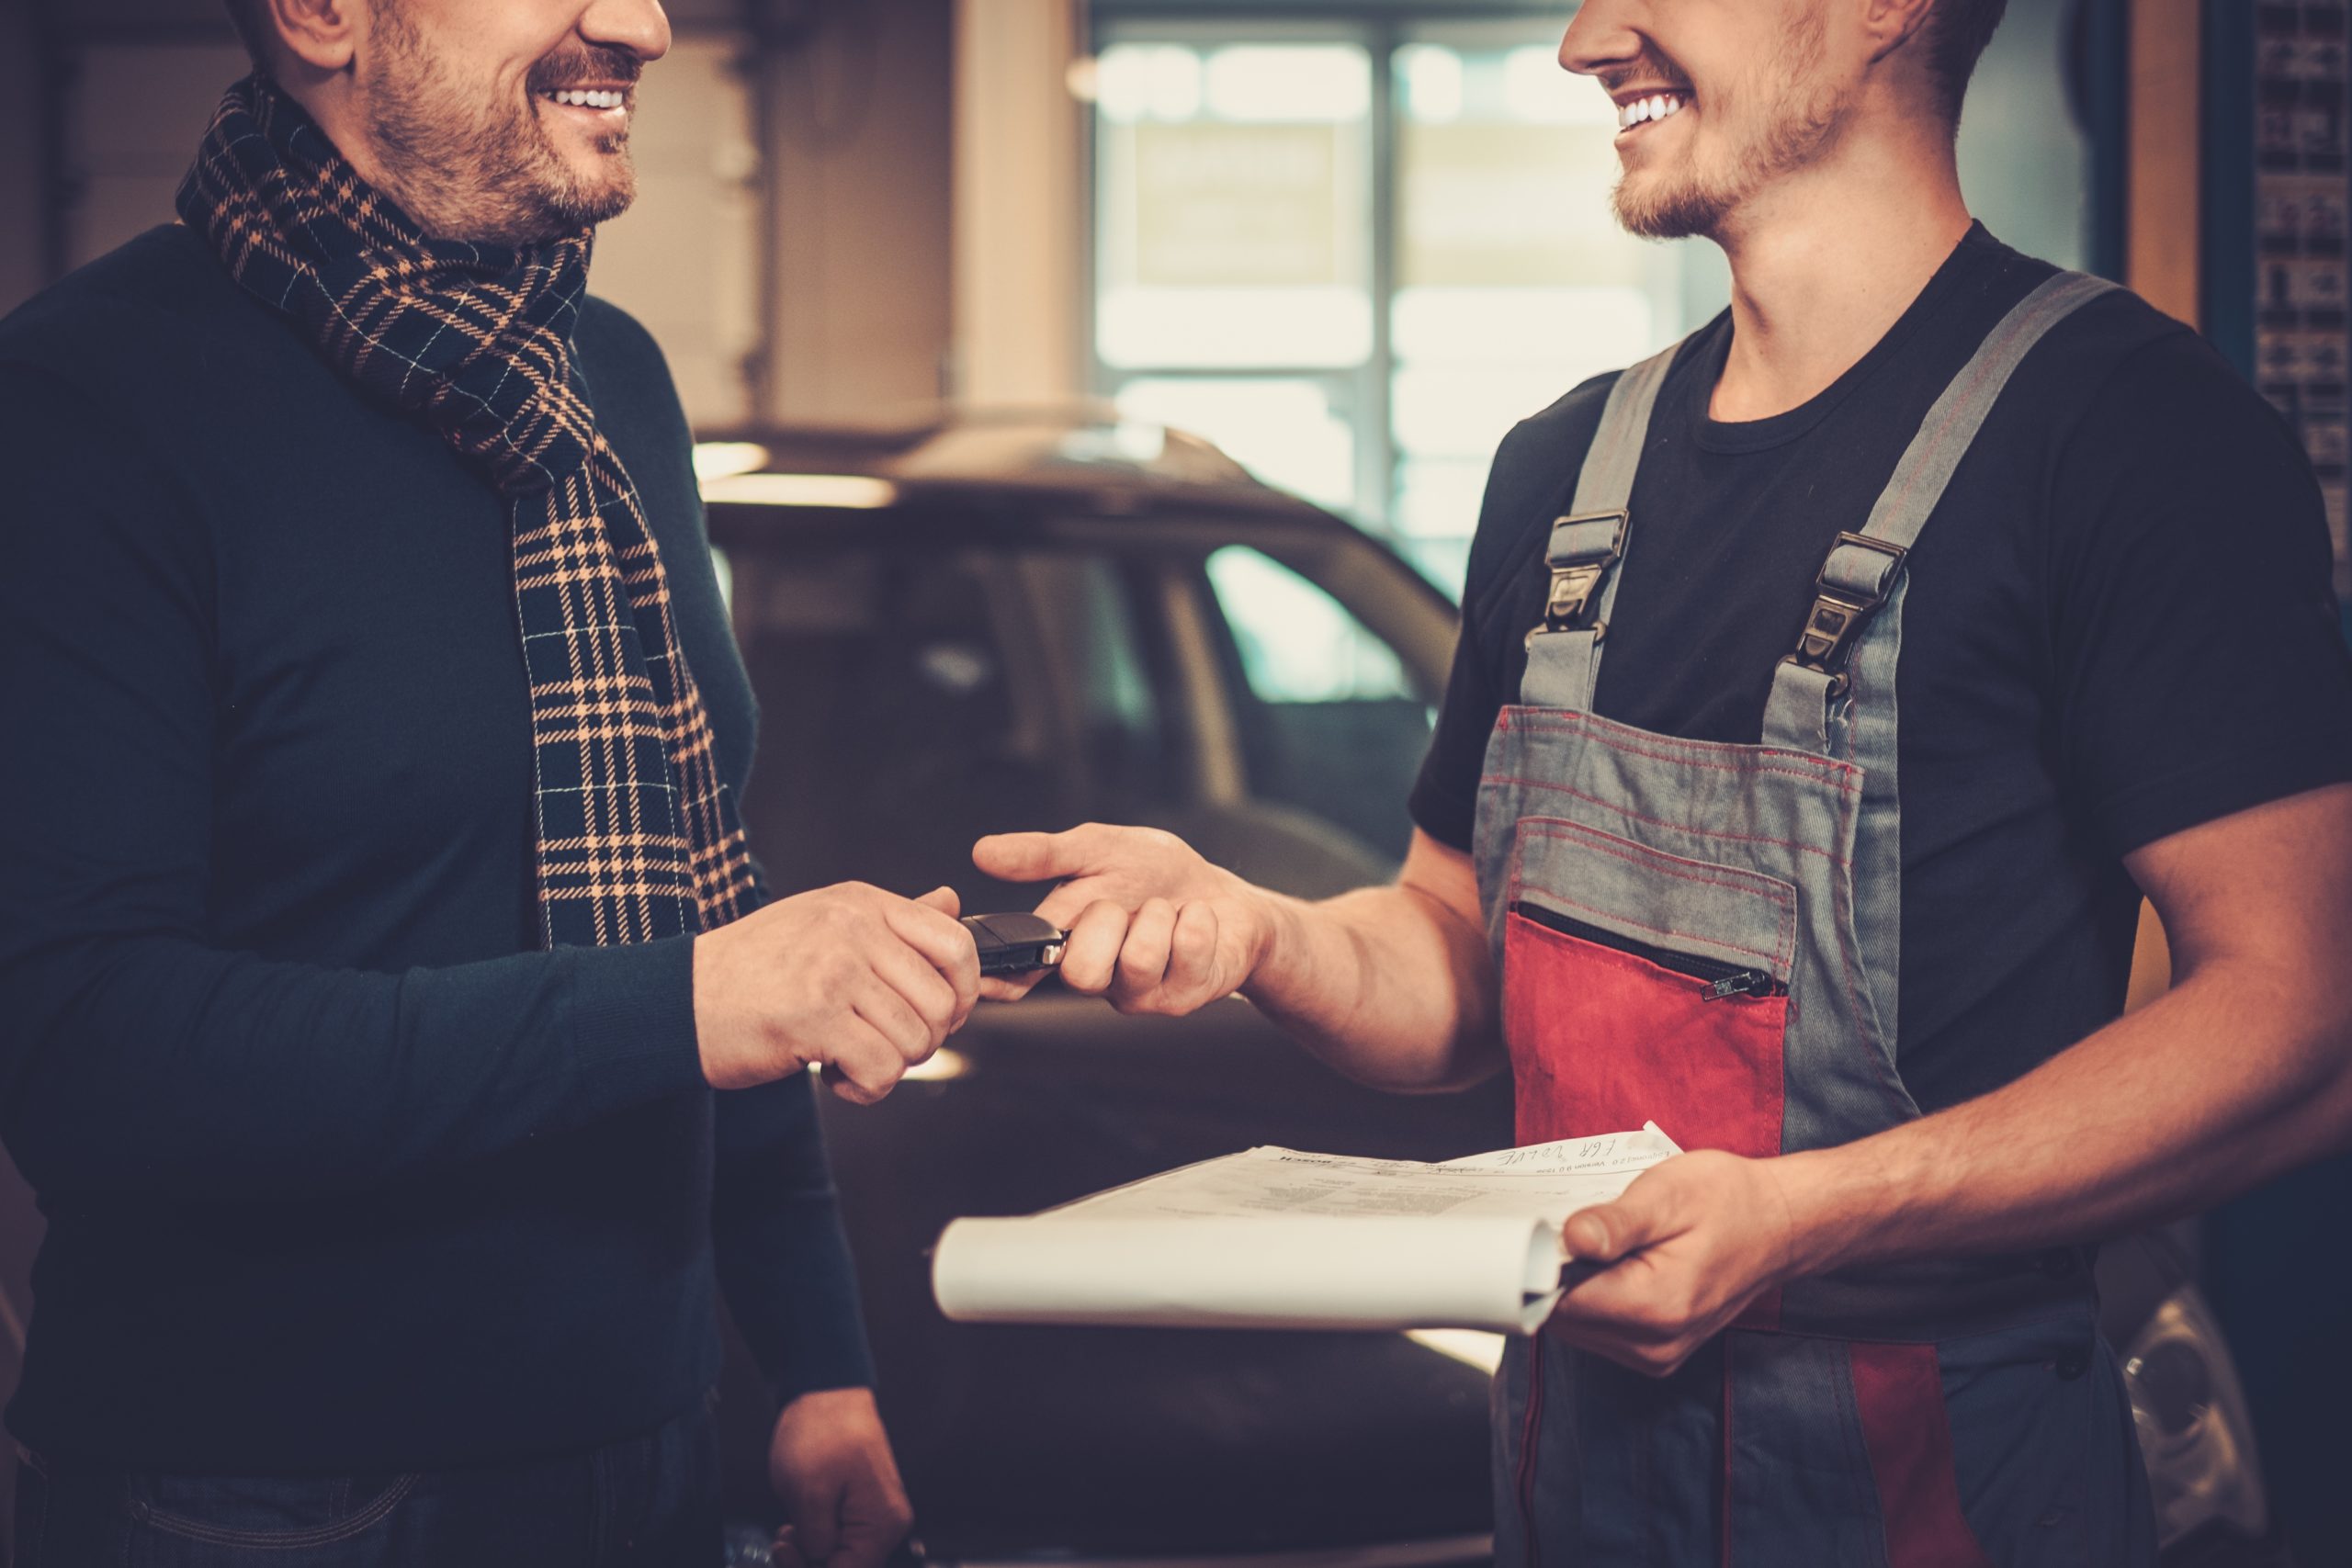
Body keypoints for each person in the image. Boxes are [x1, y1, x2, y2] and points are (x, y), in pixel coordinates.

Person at [974, 0, 2352, 1559]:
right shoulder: (1560, 474)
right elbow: (1457, 967)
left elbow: (2300, 1019)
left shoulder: (2130, 438)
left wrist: (1803, 1216)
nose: (1582, 40)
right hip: (1575, 1474)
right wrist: (1258, 933)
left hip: (1936, 1476)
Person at [0, 1, 976, 1562]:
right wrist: (681, 1004)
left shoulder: (609, 380)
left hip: (650, 1451)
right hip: (257, 1500)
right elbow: (85, 1051)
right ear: (322, 14)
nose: (644, 24)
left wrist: (815, 1363)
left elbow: (700, 883)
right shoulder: (82, 402)